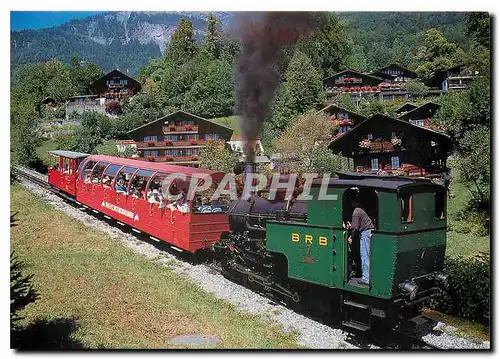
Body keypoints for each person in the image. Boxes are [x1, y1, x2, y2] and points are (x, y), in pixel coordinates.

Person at [348, 197, 375, 286]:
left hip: (365, 233)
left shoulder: (356, 212)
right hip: (369, 232)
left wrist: (351, 237)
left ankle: (366, 278)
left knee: (364, 256)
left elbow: (355, 228)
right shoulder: (361, 210)